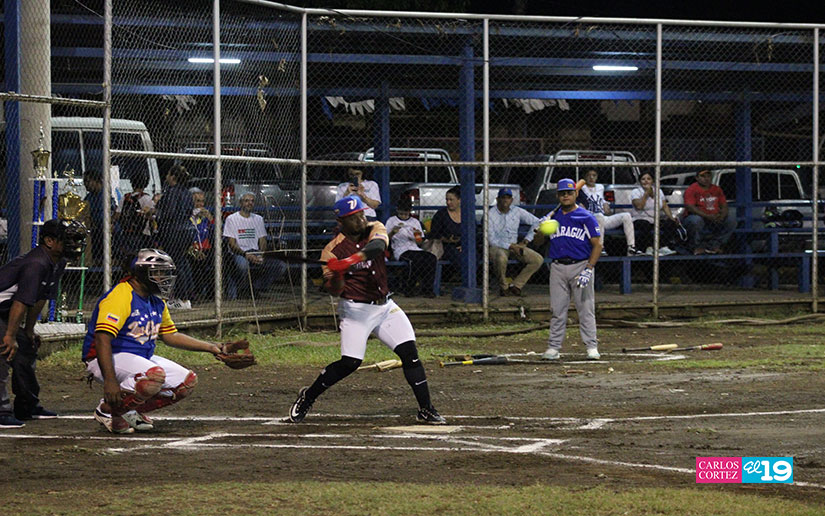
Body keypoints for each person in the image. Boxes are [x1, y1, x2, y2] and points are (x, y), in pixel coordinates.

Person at [288, 195, 446, 425]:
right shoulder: (331, 251)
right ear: (341, 221)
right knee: (350, 363)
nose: (361, 219)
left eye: (362, 214)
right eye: (354, 217)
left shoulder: (374, 228)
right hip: (356, 311)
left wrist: (350, 260)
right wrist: (338, 275)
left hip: (385, 306)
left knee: (410, 354)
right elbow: (334, 290)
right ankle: (308, 396)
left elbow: (378, 246)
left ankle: (426, 409)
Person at [82, 249, 227, 434]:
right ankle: (108, 410)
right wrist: (110, 381)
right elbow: (102, 339)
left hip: (136, 358)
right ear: (140, 273)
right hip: (104, 358)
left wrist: (212, 347)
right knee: (153, 376)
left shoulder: (156, 300)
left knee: (186, 382)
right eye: (157, 272)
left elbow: (170, 335)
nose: (163, 277)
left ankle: (126, 410)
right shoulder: (121, 296)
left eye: (164, 272)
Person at [0, 219, 87, 428]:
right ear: (49, 241)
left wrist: (29, 331)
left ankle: (27, 405)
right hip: (4, 310)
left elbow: (40, 297)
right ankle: (1, 410)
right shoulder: (36, 263)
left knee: (26, 350)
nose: (74, 244)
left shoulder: (58, 262)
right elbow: (20, 301)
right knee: (4, 351)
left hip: (6, 312)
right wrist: (10, 335)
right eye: (68, 239)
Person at [539, 179, 602, 361]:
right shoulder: (554, 217)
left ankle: (591, 346)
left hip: (580, 266)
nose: (566, 196)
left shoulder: (585, 216)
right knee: (557, 310)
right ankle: (553, 347)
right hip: (557, 267)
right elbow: (538, 242)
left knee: (585, 309)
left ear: (575, 194)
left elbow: (597, 245)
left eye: (569, 193)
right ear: (557, 196)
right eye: (562, 193)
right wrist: (541, 229)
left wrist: (589, 268)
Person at [223, 193, 286, 300]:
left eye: (252, 201)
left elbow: (262, 240)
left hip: (255, 251)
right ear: (241, 203)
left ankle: (255, 288)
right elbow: (232, 244)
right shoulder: (232, 219)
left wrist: (261, 254)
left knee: (280, 265)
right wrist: (246, 255)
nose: (250, 203)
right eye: (246, 201)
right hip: (239, 252)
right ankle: (242, 289)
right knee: (242, 265)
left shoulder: (258, 219)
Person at [488, 187, 543, 297]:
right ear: (497, 199)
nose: (505, 200)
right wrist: (511, 246)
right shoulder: (490, 214)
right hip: (498, 246)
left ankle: (516, 286)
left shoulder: (517, 211)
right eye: (503, 197)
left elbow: (538, 222)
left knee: (537, 259)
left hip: (516, 246)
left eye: (508, 198)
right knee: (501, 258)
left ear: (512, 200)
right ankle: (504, 287)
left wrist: (526, 240)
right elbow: (491, 239)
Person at [155, 165, 194, 306]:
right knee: (182, 261)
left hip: (174, 231)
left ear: (173, 177)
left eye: (168, 174)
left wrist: (157, 214)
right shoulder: (187, 192)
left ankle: (182, 299)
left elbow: (169, 213)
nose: (166, 177)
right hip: (186, 229)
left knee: (176, 263)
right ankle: (187, 297)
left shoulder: (171, 192)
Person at [579, 169, 641, 256]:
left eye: (594, 175)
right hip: (590, 220)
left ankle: (631, 247)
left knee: (626, 215)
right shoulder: (582, 188)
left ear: (597, 177)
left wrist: (605, 203)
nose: (591, 177)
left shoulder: (600, 187)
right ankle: (600, 248)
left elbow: (600, 198)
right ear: (585, 177)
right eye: (589, 175)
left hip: (602, 218)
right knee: (599, 216)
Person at [385, 197, 437, 297]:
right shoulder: (391, 221)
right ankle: (408, 288)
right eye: (401, 214)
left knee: (431, 258)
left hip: (414, 248)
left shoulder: (415, 222)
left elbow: (419, 242)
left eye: (406, 214)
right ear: (397, 210)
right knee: (413, 260)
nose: (404, 216)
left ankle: (427, 289)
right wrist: (392, 232)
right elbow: (385, 239)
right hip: (400, 249)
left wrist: (416, 235)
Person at [682, 170, 737, 254]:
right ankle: (696, 247)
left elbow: (724, 205)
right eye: (703, 176)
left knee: (731, 220)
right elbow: (690, 207)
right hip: (698, 217)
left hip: (714, 218)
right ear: (697, 178)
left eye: (708, 176)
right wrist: (707, 216)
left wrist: (722, 216)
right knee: (695, 220)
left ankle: (714, 245)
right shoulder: (691, 189)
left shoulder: (716, 189)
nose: (706, 179)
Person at [629, 171, 683, 256]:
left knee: (670, 223)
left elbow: (664, 206)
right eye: (643, 179)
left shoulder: (658, 191)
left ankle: (663, 247)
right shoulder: (636, 191)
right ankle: (648, 248)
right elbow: (639, 206)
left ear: (652, 181)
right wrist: (646, 194)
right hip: (640, 219)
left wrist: (671, 217)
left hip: (655, 219)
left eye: (648, 179)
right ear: (640, 181)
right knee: (645, 225)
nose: (646, 181)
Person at [116, 170, 156, 260]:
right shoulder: (146, 198)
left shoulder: (126, 197)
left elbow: (117, 214)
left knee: (129, 255)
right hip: (142, 232)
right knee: (141, 256)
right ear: (145, 184)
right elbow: (151, 214)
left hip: (127, 231)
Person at [426, 185, 463, 270]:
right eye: (447, 200)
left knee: (474, 255)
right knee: (456, 256)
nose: (448, 202)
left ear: (459, 200)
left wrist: (464, 245)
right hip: (446, 246)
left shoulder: (465, 213)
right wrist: (447, 239)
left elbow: (473, 232)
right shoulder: (441, 214)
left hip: (463, 244)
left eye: (451, 200)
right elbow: (434, 233)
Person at [188, 189, 214, 301]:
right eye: (197, 201)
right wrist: (195, 250)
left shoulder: (205, 218)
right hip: (190, 249)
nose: (201, 204)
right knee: (193, 263)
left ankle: (211, 295)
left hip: (205, 248)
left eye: (202, 201)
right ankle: (195, 293)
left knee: (213, 260)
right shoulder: (186, 217)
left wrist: (211, 219)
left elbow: (216, 233)